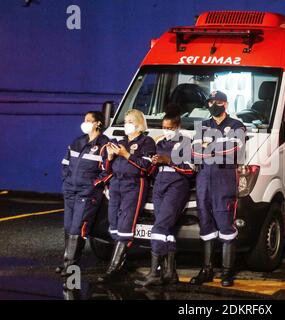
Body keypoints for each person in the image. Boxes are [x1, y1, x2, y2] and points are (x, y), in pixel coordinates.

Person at [190, 90, 246, 287]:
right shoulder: (202, 126)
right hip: (204, 180)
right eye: (211, 102)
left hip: (224, 181)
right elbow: (194, 151)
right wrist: (211, 150)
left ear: (225, 104)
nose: (214, 105)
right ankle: (206, 270)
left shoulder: (236, 126)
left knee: (225, 225)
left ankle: (227, 272)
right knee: (205, 224)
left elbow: (233, 151)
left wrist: (208, 149)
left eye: (218, 102)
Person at [135, 105, 194, 287]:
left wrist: (168, 160)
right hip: (160, 186)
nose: (166, 131)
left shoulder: (185, 143)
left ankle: (154, 272)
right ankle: (170, 273)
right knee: (166, 231)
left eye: (169, 128)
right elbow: (154, 169)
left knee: (159, 228)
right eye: (164, 127)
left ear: (177, 126)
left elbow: (191, 169)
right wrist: (154, 163)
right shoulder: (160, 143)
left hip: (176, 187)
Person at [97, 109, 156, 283]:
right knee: (113, 223)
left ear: (138, 123)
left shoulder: (147, 141)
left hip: (134, 184)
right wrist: (109, 156)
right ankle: (121, 264)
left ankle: (113, 269)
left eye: (130, 121)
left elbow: (146, 166)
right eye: (125, 121)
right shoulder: (119, 141)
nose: (126, 124)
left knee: (125, 224)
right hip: (116, 184)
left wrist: (126, 154)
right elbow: (106, 167)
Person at [58, 111, 109, 276]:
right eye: (84, 120)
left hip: (87, 194)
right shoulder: (78, 142)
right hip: (70, 191)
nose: (85, 123)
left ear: (98, 123)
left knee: (78, 228)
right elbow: (65, 163)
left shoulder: (104, 144)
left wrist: (93, 185)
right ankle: (67, 262)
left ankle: (71, 267)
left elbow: (108, 170)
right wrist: (66, 182)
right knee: (68, 227)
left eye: (89, 120)